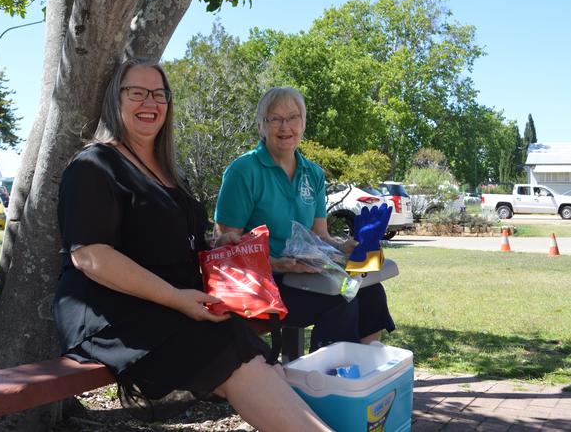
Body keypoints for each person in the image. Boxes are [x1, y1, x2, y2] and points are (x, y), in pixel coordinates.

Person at [53, 59, 331, 431]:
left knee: (256, 356)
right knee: (232, 350)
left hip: (173, 303)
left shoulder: (166, 172)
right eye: (136, 92)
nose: (149, 102)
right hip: (113, 312)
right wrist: (177, 298)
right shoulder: (95, 164)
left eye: (159, 94)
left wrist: (222, 244)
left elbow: (171, 241)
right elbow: (90, 256)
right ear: (114, 100)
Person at [214, 86, 395, 348]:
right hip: (262, 282)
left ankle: (364, 372)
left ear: (303, 123)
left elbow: (319, 236)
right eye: (274, 118)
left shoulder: (313, 173)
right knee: (340, 301)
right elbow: (225, 246)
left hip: (305, 275)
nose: (285, 126)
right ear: (261, 126)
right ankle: (328, 380)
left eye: (293, 117)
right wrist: (275, 263)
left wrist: (344, 247)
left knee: (371, 292)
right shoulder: (243, 171)